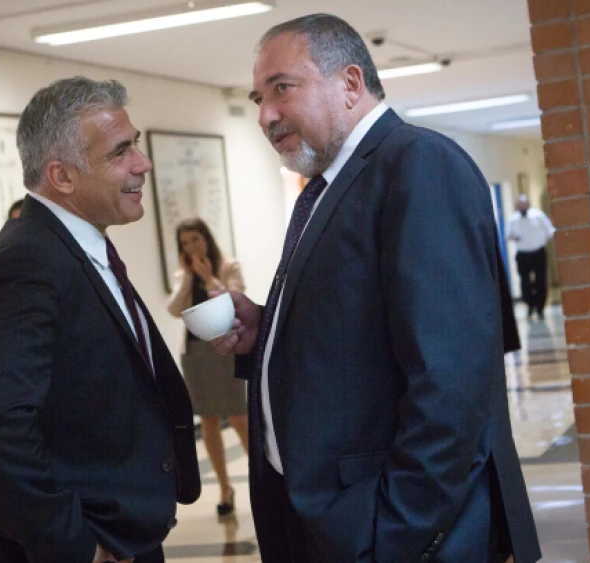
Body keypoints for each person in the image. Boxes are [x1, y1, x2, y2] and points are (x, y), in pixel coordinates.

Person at [212, 14, 541, 563]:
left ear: (349, 83)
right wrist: (267, 329)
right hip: (331, 519)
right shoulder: (328, 186)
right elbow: (362, 327)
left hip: (392, 532)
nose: (266, 114)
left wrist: (394, 531)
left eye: (282, 89)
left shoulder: (418, 164)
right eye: (257, 98)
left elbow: (451, 382)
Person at [0, 77, 200, 563]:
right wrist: (75, 544)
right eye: (120, 152)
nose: (142, 163)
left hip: (121, 531)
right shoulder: (26, 262)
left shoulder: (76, 248)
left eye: (138, 144)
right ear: (62, 176)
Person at [166, 218, 250, 516]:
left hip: (225, 350)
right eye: (185, 243)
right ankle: (225, 488)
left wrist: (210, 277)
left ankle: (262, 478)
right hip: (196, 354)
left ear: (206, 238)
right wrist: (189, 279)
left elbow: (235, 301)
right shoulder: (182, 274)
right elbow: (174, 310)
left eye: (195, 240)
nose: (191, 247)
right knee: (209, 420)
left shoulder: (229, 266)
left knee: (240, 416)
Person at [507, 194, 555, 320]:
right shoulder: (513, 219)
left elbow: (550, 230)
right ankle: (529, 306)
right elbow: (508, 235)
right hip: (523, 254)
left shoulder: (538, 215)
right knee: (525, 282)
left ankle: (540, 308)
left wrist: (540, 240)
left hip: (538, 252)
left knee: (540, 281)